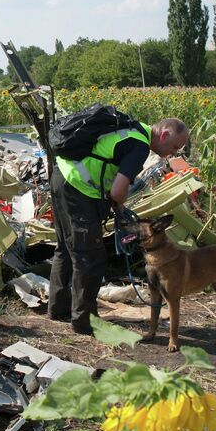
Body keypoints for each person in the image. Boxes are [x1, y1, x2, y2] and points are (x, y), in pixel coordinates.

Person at [48, 117, 189, 335]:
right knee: (90, 257)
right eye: (173, 146)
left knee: (65, 247)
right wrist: (118, 204)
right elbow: (117, 191)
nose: (172, 153)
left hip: (62, 176)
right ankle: (84, 322)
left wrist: (114, 203)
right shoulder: (139, 145)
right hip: (78, 188)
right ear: (164, 135)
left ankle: (58, 308)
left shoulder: (130, 127)